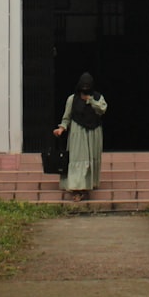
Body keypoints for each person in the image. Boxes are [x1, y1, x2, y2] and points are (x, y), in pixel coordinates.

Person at [52, 72, 106, 202]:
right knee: (78, 158)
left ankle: (88, 185)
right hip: (78, 133)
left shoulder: (98, 97)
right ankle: (77, 188)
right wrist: (61, 128)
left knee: (91, 158)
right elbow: (67, 117)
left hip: (94, 133)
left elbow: (102, 109)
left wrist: (90, 100)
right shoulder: (72, 99)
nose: (85, 88)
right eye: (83, 85)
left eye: (88, 85)